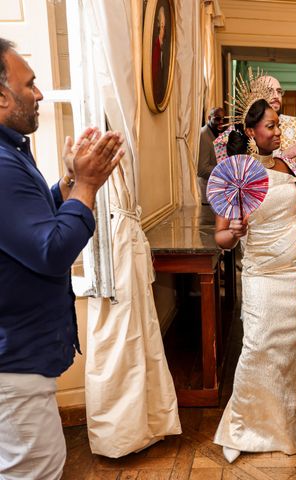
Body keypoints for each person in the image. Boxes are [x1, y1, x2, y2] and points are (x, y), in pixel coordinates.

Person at [0, 39, 124, 478]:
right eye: (29, 85)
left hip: (18, 357)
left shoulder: (12, 153)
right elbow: (52, 251)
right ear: (1, 97)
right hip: (13, 362)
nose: (39, 95)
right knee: (35, 471)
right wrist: (88, 188)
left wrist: (69, 181)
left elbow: (29, 228)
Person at [212, 89, 296, 463]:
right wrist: (233, 232)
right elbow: (219, 237)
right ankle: (242, 426)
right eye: (270, 127)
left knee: (288, 358)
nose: (277, 133)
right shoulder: (233, 173)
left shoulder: (287, 168)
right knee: (256, 351)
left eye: (278, 126)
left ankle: (281, 424)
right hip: (264, 278)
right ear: (252, 131)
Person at [197, 106, 224, 203]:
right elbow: (202, 170)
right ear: (209, 118)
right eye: (217, 118)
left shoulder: (216, 132)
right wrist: (224, 170)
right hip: (206, 194)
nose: (221, 122)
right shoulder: (203, 135)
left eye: (222, 119)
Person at [151, 5, 169, 104]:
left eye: (164, 27)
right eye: (162, 26)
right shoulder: (155, 48)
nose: (163, 30)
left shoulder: (164, 49)